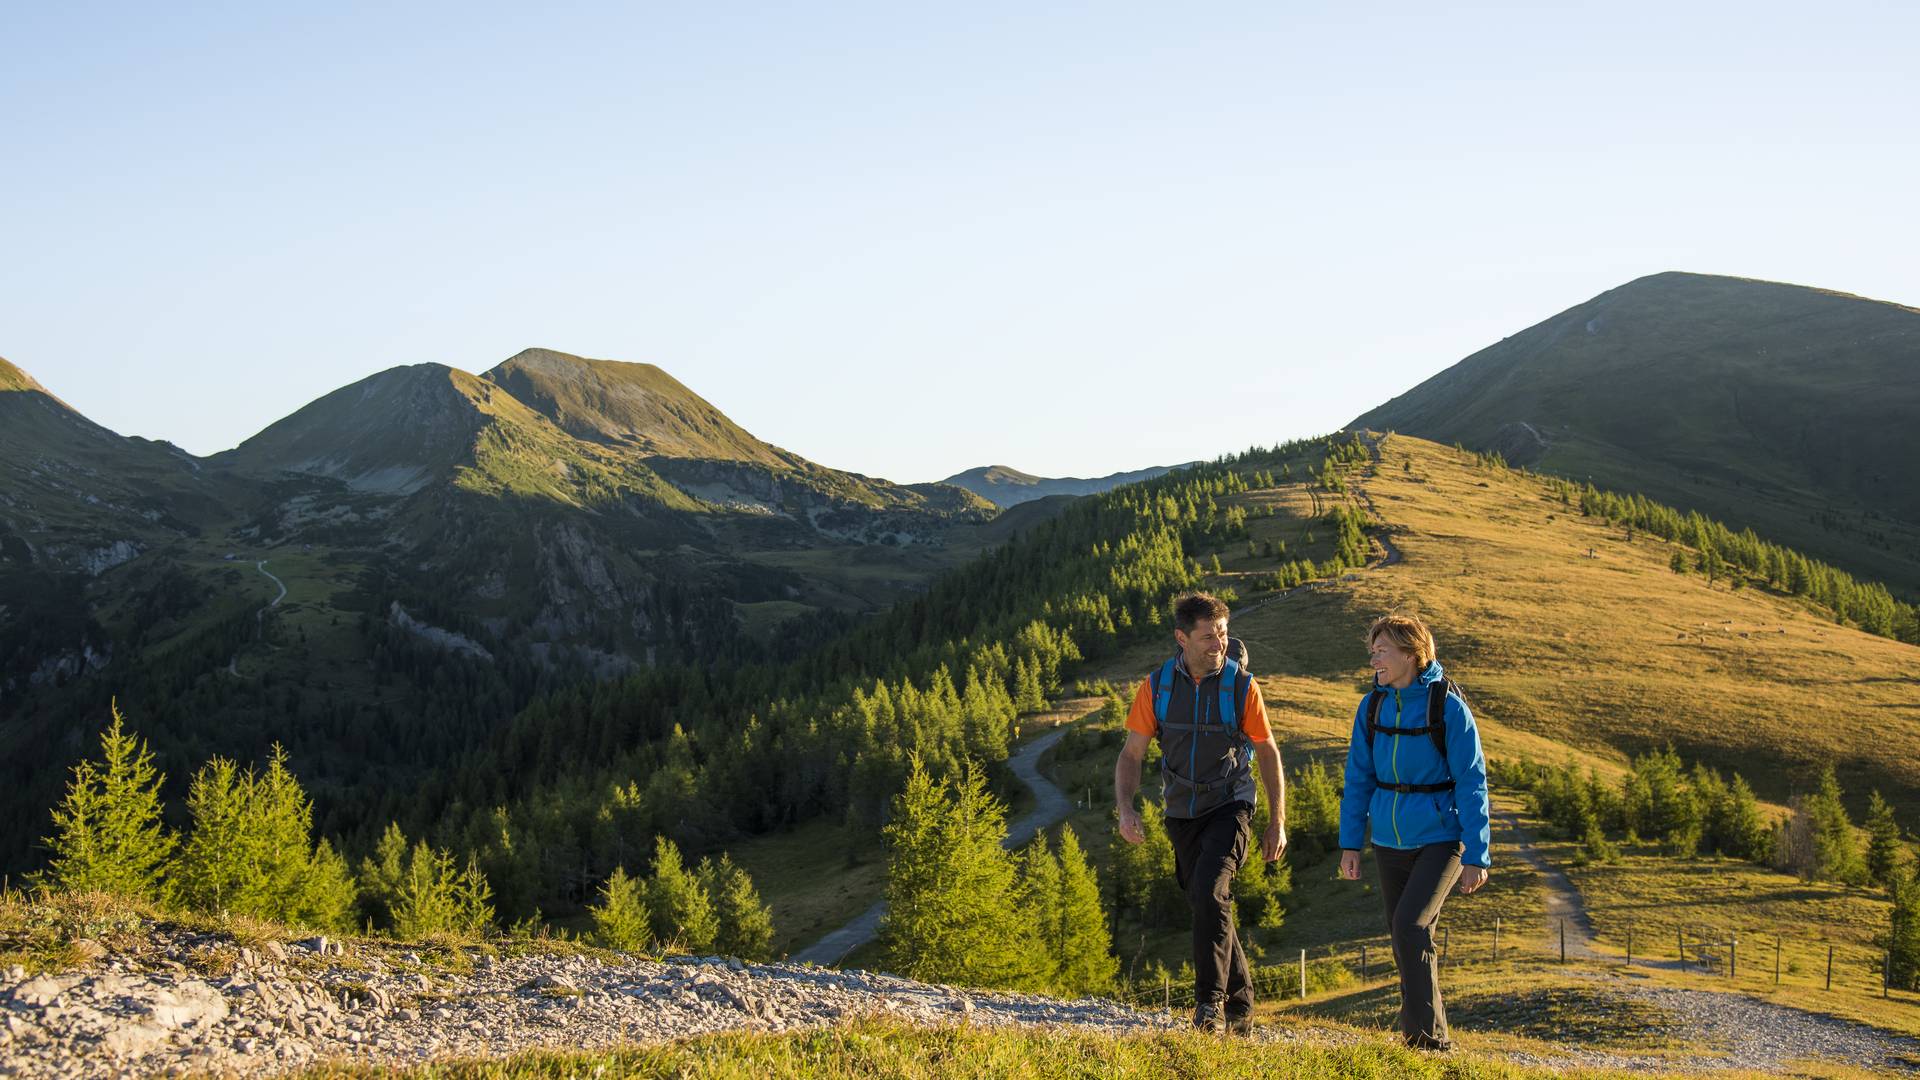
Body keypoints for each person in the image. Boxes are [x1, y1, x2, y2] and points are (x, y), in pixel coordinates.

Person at [1115, 592, 1285, 1035]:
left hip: (1231, 806)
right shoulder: (1156, 687)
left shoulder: (1242, 686)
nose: (1219, 645)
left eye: (1223, 634)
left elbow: (1267, 752)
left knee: (1211, 894)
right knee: (1208, 903)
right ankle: (1241, 1003)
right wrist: (1126, 807)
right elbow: (1131, 755)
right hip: (1181, 813)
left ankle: (1209, 1007)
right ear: (1181, 638)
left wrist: (1276, 820)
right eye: (1208, 636)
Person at [1336, 613, 1491, 1051]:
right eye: (1372, 651)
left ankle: (1427, 1043)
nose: (1373, 660)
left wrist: (1477, 854)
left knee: (1409, 926)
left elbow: (1472, 780)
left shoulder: (1449, 709)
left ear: (1411, 653)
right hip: (1387, 840)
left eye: (1381, 651)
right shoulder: (1372, 707)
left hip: (1442, 838)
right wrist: (1351, 844)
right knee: (1406, 938)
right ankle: (1425, 1035)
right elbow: (1358, 779)